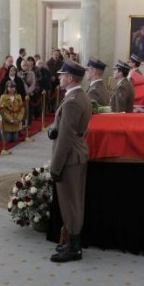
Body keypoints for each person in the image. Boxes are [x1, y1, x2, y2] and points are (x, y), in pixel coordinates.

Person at [49, 59, 92, 263]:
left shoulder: (73, 100)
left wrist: (55, 167)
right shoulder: (77, 95)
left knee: (71, 204)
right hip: (76, 154)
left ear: (71, 78)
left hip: (69, 158)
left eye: (62, 74)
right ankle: (71, 242)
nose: (59, 77)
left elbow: (65, 139)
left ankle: (74, 247)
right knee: (74, 201)